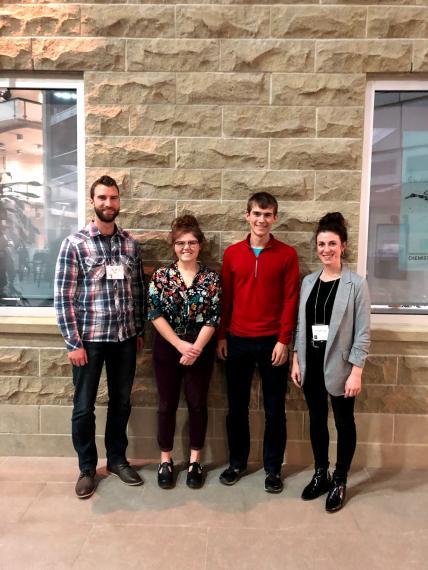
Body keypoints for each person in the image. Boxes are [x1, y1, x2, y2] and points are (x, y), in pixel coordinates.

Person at [54, 175, 145, 499]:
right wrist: (73, 342)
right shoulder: (75, 244)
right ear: (93, 201)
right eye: (103, 198)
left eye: (114, 198)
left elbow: (136, 291)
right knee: (83, 407)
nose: (109, 203)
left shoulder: (131, 244)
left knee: (121, 402)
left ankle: (117, 460)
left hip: (124, 339)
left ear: (119, 202)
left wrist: (137, 331)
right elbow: (63, 296)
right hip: (89, 341)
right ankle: (87, 469)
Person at [217, 192, 300, 493]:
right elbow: (225, 299)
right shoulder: (232, 254)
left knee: (275, 409)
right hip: (237, 340)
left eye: (267, 215)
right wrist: (222, 335)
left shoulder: (287, 255)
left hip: (271, 343)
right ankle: (237, 462)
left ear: (275, 218)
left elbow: (291, 300)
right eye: (256, 214)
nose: (261, 220)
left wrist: (283, 340)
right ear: (247, 216)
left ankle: (273, 469)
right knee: (236, 407)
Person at [291, 212, 371, 512]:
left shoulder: (356, 284)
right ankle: (320, 473)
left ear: (343, 246)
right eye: (321, 244)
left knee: (343, 422)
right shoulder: (309, 282)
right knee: (316, 419)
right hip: (311, 363)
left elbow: (363, 333)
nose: (326, 249)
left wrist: (356, 372)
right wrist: (297, 359)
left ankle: (339, 479)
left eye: (332, 243)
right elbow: (301, 325)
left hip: (340, 368)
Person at [147, 215, 221, 490]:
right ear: (173, 245)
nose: (186, 247)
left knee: (197, 404)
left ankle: (194, 461)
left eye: (191, 242)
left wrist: (196, 349)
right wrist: (179, 345)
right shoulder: (161, 276)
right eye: (180, 243)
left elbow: (214, 316)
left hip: (200, 347)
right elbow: (153, 312)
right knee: (166, 405)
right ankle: (165, 460)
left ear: (200, 245)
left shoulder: (211, 277)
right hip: (168, 347)